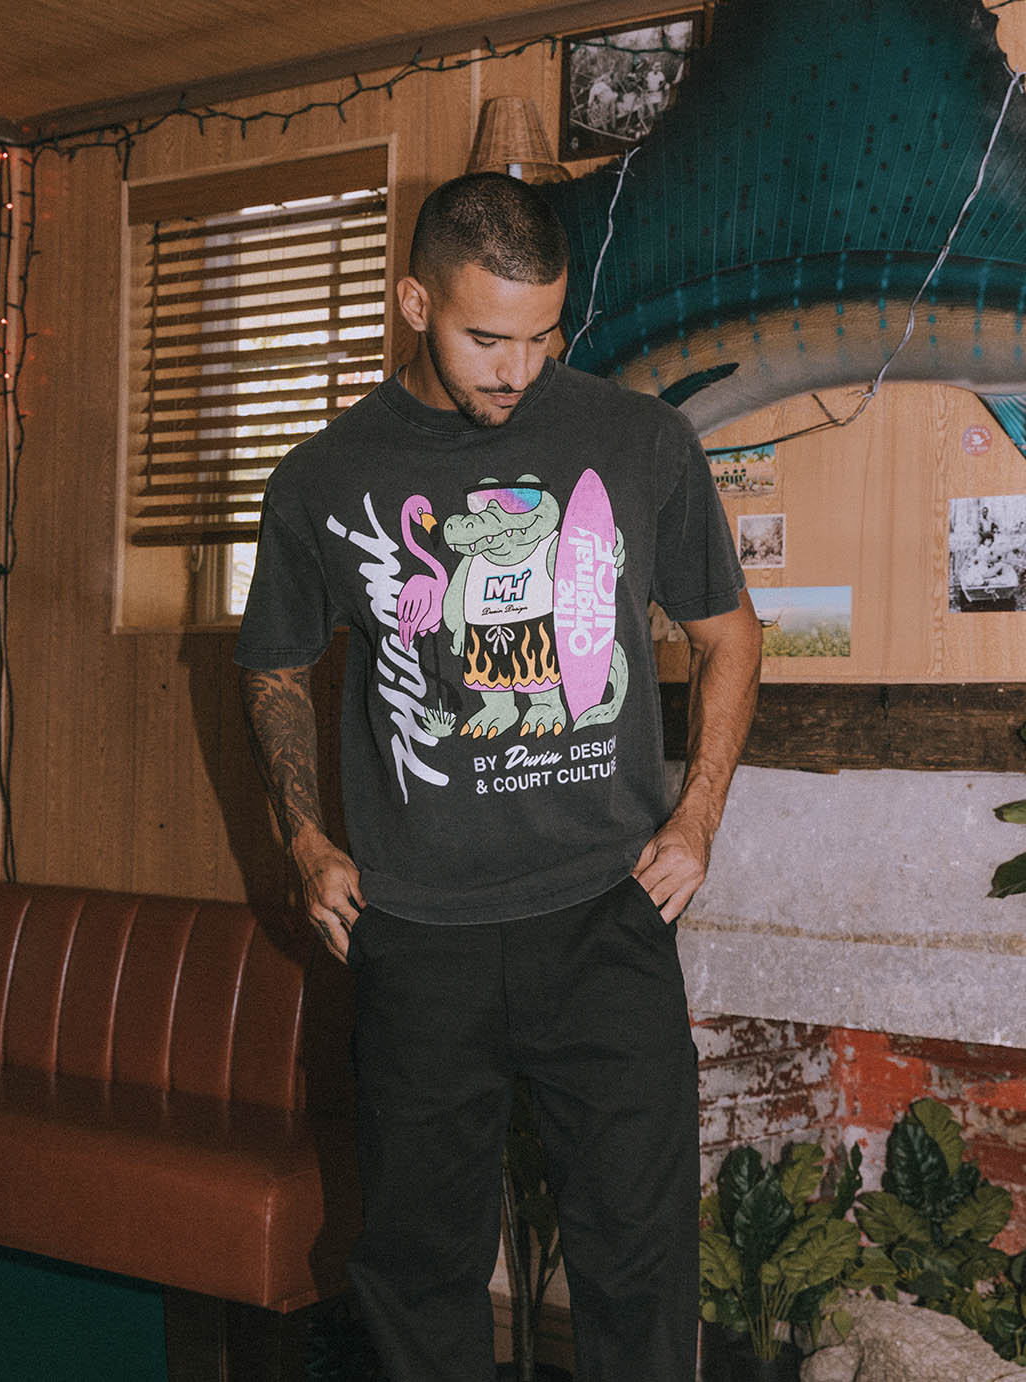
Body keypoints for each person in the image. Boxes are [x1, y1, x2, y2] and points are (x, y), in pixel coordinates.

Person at [235, 172, 761, 1382]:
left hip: (604, 917)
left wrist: (695, 818)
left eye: (542, 336)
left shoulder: (638, 440)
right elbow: (271, 666)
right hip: (418, 934)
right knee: (418, 1273)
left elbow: (728, 634)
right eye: (486, 338)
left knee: (640, 1265)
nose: (517, 370)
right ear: (415, 301)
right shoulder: (323, 476)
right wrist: (304, 840)